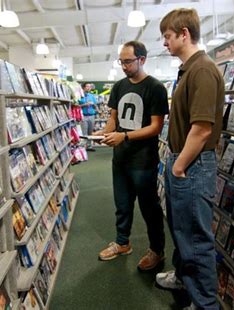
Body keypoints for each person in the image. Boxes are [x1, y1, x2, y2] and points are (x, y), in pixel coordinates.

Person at [156, 8, 224, 309]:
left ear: (185, 33)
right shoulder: (189, 70)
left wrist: (180, 166)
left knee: (196, 240)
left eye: (168, 36)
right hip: (184, 162)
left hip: (193, 165)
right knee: (182, 231)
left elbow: (201, 128)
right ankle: (185, 280)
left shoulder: (203, 70)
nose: (165, 43)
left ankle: (205, 305)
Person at [96, 40, 168, 271]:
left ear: (142, 59)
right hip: (121, 158)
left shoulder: (156, 88)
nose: (124, 66)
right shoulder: (118, 87)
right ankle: (122, 242)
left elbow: (156, 127)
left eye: (128, 61)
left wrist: (124, 137)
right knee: (122, 204)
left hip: (144, 160)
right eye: (121, 61)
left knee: (150, 208)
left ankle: (157, 250)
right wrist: (105, 132)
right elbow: (113, 118)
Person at [78, 82, 97, 151]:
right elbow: (76, 106)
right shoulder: (79, 96)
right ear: (83, 87)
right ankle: (83, 147)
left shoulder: (92, 96)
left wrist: (94, 106)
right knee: (84, 132)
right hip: (83, 116)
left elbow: (95, 105)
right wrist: (85, 104)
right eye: (87, 86)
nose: (89, 88)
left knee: (90, 132)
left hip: (92, 116)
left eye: (90, 87)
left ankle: (89, 146)